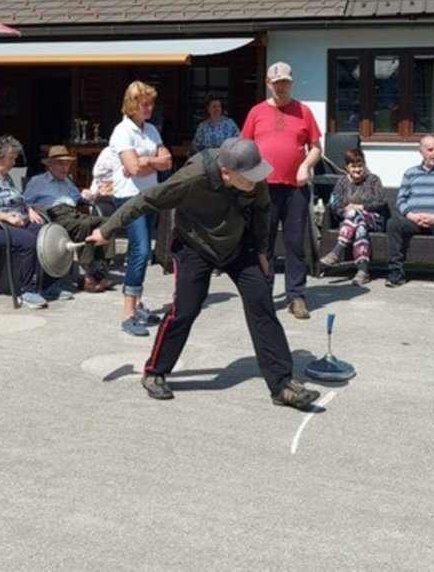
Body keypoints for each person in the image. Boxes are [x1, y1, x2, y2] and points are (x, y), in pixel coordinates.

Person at [85, 137, 321, 410]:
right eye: (249, 177)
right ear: (226, 173)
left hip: (238, 244)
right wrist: (106, 230)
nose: (257, 181)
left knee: (261, 304)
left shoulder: (252, 174)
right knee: (186, 308)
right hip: (194, 245)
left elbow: (262, 211)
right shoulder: (191, 179)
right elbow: (146, 199)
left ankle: (281, 385)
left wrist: (260, 252)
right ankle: (155, 372)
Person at [240, 61, 321, 320]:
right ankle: (263, 293)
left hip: (295, 188)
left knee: (295, 243)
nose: (281, 87)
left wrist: (306, 166)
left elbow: (316, 147)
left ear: (291, 82)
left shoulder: (304, 111)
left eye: (285, 82)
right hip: (264, 187)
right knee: (263, 243)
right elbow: (244, 148)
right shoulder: (256, 112)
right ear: (268, 84)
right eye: (276, 83)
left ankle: (296, 296)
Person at [0, 134, 66, 309]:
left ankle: (48, 284)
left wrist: (28, 209)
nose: (14, 162)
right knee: (30, 242)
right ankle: (28, 290)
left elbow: (17, 199)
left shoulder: (5, 177)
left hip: (13, 223)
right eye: (11, 158)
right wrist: (7, 217)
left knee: (47, 234)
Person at [109, 81, 172, 336]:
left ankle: (138, 303)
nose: (150, 107)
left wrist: (145, 160)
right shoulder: (122, 131)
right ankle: (128, 313)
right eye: (145, 103)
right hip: (130, 197)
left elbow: (167, 162)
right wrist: (147, 163)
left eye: (151, 103)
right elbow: (133, 170)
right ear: (133, 104)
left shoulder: (151, 131)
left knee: (143, 252)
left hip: (149, 195)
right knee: (141, 249)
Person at [21, 145, 113, 292]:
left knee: (105, 223)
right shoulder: (37, 181)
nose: (64, 167)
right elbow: (23, 200)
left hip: (72, 212)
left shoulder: (67, 181)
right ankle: (86, 277)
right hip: (54, 215)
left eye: (67, 163)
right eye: (60, 163)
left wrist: (86, 194)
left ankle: (98, 271)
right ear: (49, 165)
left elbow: (77, 198)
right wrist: (30, 209)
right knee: (84, 225)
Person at [385, 134, 434, 292]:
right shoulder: (410, 173)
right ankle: (395, 274)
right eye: (430, 150)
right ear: (421, 151)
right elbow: (401, 200)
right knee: (393, 223)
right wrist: (410, 215)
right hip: (414, 220)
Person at [317, 147, 387, 286]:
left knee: (355, 214)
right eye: (353, 166)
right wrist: (346, 212)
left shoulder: (373, 180)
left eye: (360, 165)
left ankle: (337, 252)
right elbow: (335, 206)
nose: (357, 170)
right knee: (360, 226)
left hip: (374, 219)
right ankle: (363, 271)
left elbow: (381, 201)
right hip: (351, 223)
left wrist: (361, 207)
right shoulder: (342, 182)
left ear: (364, 165)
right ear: (347, 167)